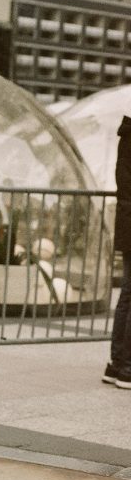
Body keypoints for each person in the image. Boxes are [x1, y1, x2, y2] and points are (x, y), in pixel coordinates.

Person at [104, 116, 131, 389]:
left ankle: (116, 364)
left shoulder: (127, 137)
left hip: (127, 222)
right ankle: (127, 368)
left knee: (126, 294)